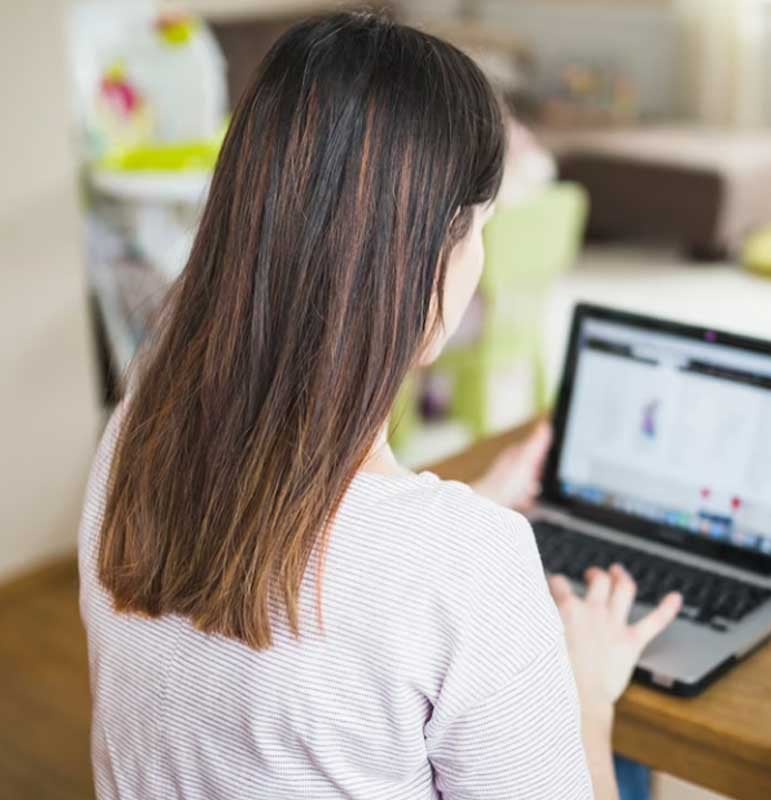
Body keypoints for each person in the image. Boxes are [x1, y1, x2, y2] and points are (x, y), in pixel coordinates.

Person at [78, 13, 679, 799]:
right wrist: (588, 696)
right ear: (427, 260)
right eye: (481, 226)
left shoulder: (132, 438)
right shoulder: (467, 566)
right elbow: (390, 591)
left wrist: (468, 507)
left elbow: (325, 568)